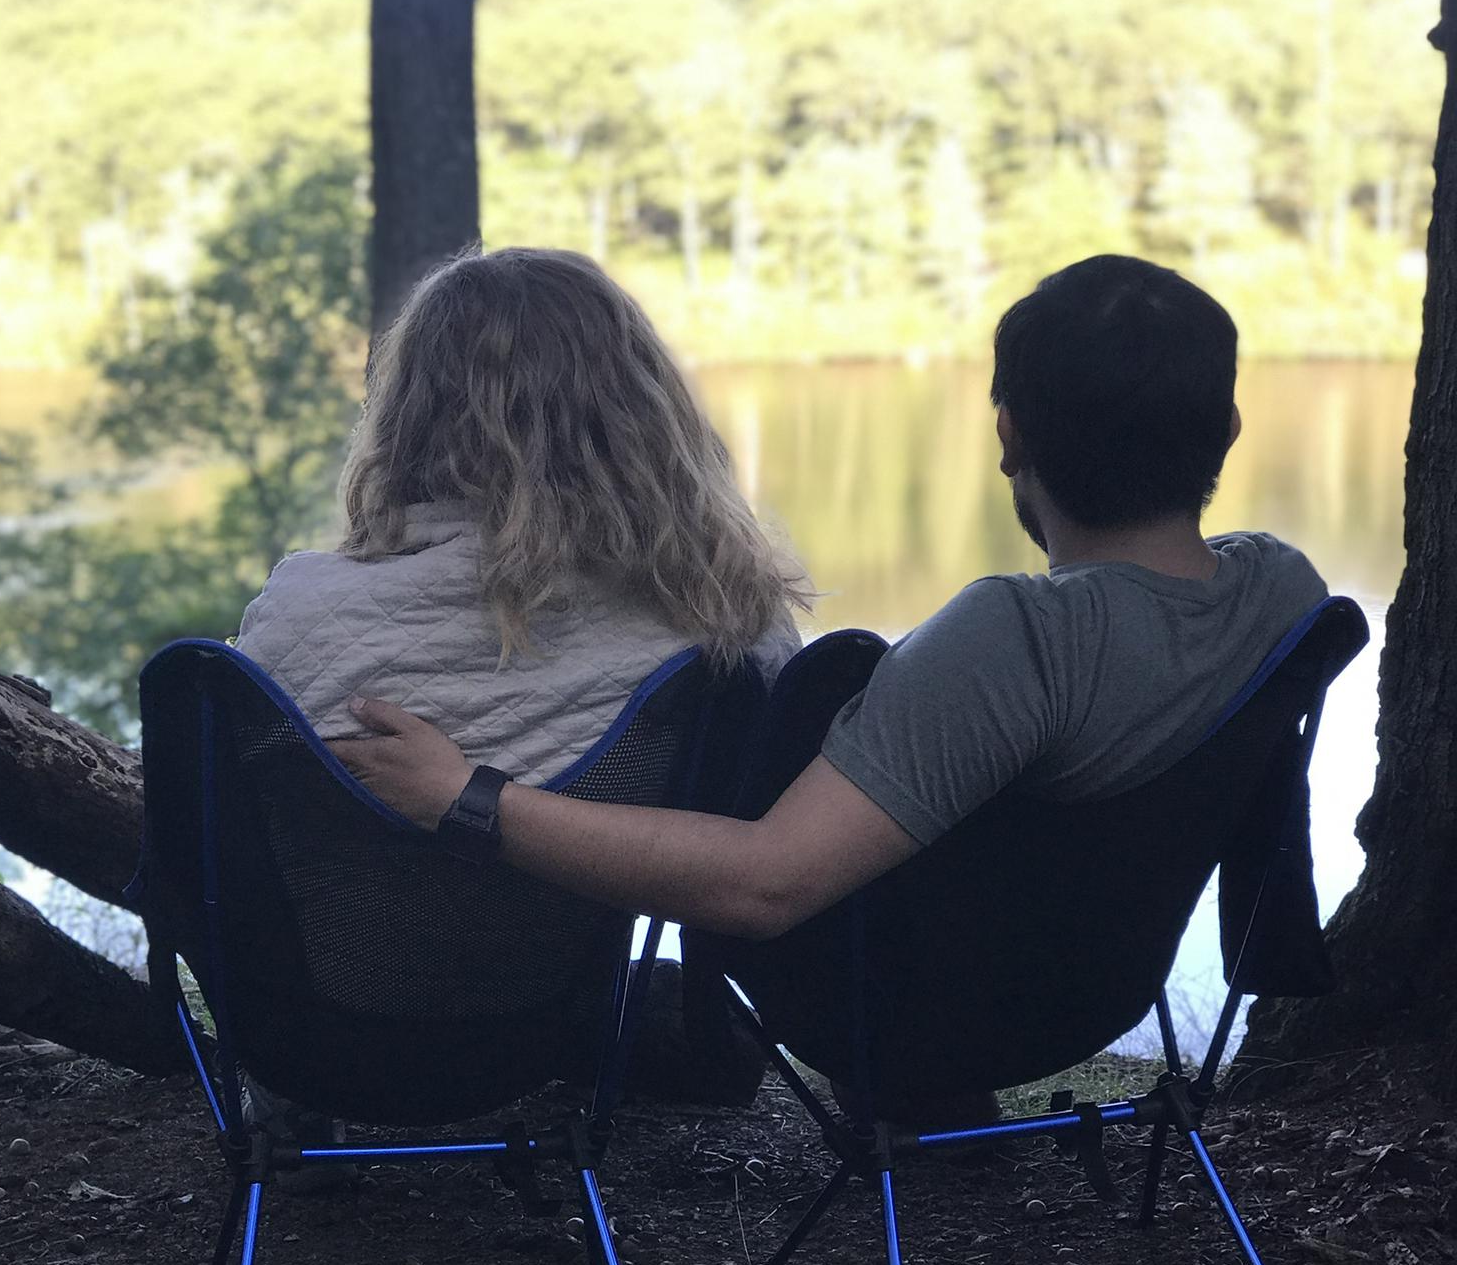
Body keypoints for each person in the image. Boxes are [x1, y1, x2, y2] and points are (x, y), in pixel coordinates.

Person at [335, 256, 1329, 1065]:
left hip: (904, 1016)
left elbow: (765, 887)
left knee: (812, 698)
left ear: (1007, 435)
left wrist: (464, 795)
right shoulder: (1281, 596)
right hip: (1100, 995)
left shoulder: (1009, 641)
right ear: (1227, 430)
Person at [233, 247, 811, 1128]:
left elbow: (222, 839)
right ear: (641, 408)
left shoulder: (302, 615)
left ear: (412, 412)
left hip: (312, 1039)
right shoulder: (721, 619)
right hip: (555, 1018)